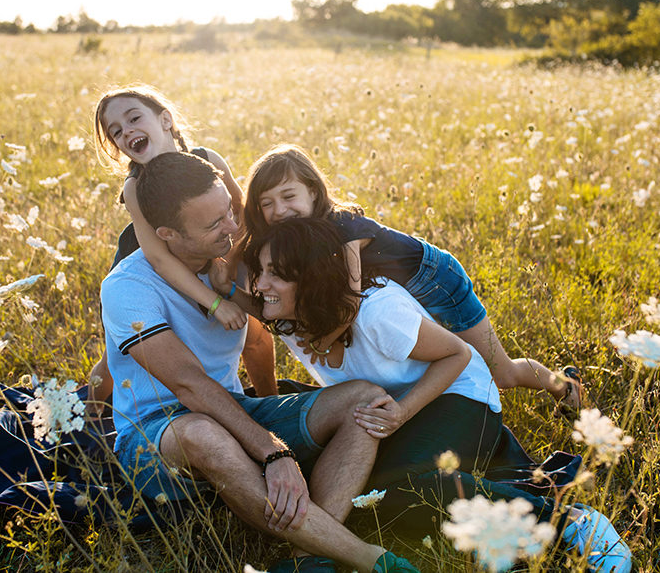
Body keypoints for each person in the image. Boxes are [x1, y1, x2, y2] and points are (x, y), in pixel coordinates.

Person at [230, 217, 632, 573]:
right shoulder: (291, 318)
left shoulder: (377, 312)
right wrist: (215, 294)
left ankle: (569, 522)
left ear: (312, 280)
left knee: (404, 493)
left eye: (274, 274)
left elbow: (459, 355)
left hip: (459, 395)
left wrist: (402, 413)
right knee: (368, 500)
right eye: (260, 271)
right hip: (391, 406)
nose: (259, 285)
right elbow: (225, 281)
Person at [100, 152, 421, 573]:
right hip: (157, 436)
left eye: (230, 213)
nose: (233, 228)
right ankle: (372, 560)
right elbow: (189, 386)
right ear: (167, 234)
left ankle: (308, 558)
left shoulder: (231, 269)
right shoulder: (127, 287)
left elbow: (256, 342)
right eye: (214, 224)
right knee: (203, 433)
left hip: (232, 409)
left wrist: (275, 413)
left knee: (365, 399)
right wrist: (273, 450)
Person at [238, 144, 584, 413]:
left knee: (503, 374)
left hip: (437, 280)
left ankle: (563, 385)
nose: (279, 211)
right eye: (266, 203)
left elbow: (349, 300)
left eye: (288, 196)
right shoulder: (299, 234)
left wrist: (320, 342)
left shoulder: (344, 227)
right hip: (403, 290)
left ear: (313, 191)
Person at [87, 85, 277, 418]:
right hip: (157, 261)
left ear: (165, 119)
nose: (126, 131)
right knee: (117, 354)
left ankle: (270, 402)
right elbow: (160, 259)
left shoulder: (208, 159)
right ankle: (87, 419)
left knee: (255, 335)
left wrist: (229, 265)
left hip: (215, 250)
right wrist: (214, 302)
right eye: (116, 132)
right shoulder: (134, 187)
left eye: (133, 118)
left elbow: (240, 211)